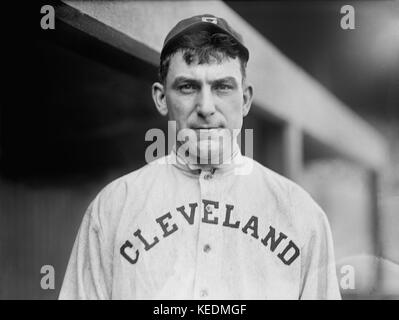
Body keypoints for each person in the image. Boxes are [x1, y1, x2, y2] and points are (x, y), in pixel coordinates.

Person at [59, 14, 341, 300]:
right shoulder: (112, 208)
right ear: (160, 98)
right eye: (187, 87)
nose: (206, 107)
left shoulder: (301, 215)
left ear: (244, 100)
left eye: (222, 87)